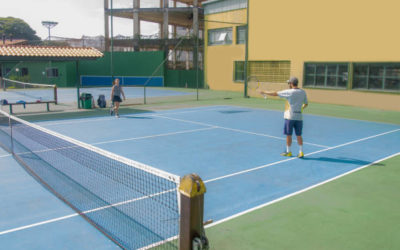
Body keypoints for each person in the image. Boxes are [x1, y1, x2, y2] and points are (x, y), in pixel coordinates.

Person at [258, 77, 308, 158]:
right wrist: (300, 109)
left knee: (289, 135)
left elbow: (275, 93)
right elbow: (305, 104)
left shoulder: (289, 92)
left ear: (291, 83)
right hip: (299, 117)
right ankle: (301, 152)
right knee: (299, 135)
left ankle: (288, 152)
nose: (288, 84)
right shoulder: (303, 92)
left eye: (289, 83)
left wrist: (263, 92)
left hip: (289, 117)